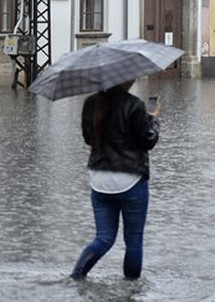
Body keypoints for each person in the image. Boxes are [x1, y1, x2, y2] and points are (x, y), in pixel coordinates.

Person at [70, 79, 160, 280]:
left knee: (103, 238)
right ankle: (131, 291)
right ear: (124, 79)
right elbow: (148, 141)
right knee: (134, 240)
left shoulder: (91, 103)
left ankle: (76, 277)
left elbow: (88, 138)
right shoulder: (134, 104)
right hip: (131, 181)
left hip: (100, 181)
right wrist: (153, 120)